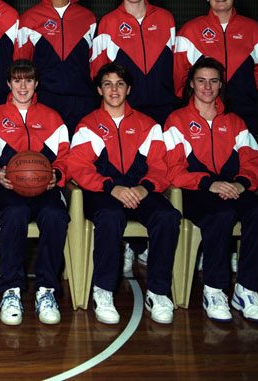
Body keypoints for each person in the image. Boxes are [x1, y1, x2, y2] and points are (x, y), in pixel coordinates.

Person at [164, 56, 258, 322]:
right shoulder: (176, 121)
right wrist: (208, 183)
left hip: (234, 188)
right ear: (191, 84)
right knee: (220, 216)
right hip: (196, 191)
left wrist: (241, 183)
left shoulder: (235, 122)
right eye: (201, 80)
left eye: (213, 81)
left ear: (220, 85)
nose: (207, 86)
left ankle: (246, 289)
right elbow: (172, 169)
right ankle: (214, 290)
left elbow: (256, 163)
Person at [68, 63, 180, 325]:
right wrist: (112, 187)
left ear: (129, 89)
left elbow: (160, 167)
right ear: (99, 89)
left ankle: (158, 292)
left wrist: (144, 187)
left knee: (167, 216)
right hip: (103, 190)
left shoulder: (148, 125)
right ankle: (103, 291)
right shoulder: (88, 125)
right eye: (108, 84)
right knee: (108, 215)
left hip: (140, 190)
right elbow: (79, 168)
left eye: (119, 84)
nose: (114, 89)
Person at [0, 60, 70, 325]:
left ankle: (46, 290)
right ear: (8, 84)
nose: (22, 86)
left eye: (28, 80)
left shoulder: (53, 118)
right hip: (4, 188)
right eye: (17, 80)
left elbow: (65, 157)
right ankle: (11, 290)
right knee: (15, 213)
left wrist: (57, 175)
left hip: (43, 187)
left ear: (36, 84)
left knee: (55, 215)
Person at [173, 0, 258, 133]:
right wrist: (193, 100)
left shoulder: (255, 30)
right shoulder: (189, 31)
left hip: (244, 111)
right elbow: (178, 74)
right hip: (203, 113)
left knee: (243, 157)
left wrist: (246, 90)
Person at [16, 0, 96, 136]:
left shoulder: (88, 18)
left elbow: (95, 64)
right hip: (44, 99)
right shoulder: (30, 19)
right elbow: (21, 64)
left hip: (81, 100)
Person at [91, 0, 175, 125]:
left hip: (163, 105)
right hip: (125, 107)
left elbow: (176, 65)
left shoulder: (166, 18)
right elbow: (97, 69)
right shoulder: (108, 22)